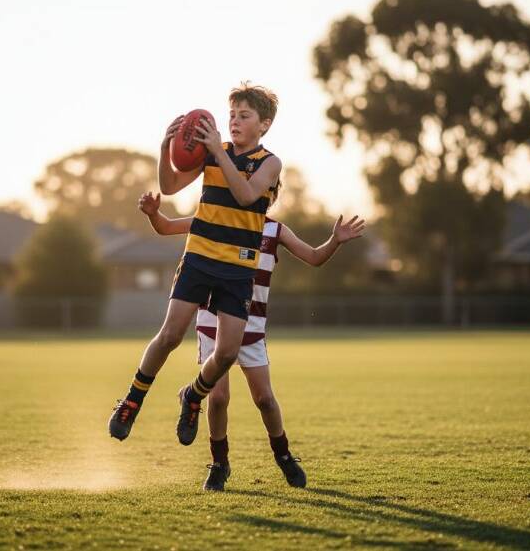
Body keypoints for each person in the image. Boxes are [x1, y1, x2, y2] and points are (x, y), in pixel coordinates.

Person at [136, 190, 365, 491]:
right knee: (218, 398)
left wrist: (335, 240)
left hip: (251, 327)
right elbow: (166, 227)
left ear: (272, 194)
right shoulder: (213, 220)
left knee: (265, 400)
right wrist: (153, 213)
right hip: (212, 322)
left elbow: (313, 257)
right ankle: (219, 465)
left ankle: (284, 456)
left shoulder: (275, 230)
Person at [108, 83, 283, 448]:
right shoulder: (212, 154)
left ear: (264, 125)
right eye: (231, 114)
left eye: (244, 116)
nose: (234, 121)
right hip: (200, 258)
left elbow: (247, 195)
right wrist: (163, 148)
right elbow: (170, 186)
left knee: (227, 353)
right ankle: (132, 400)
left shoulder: (269, 163)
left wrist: (220, 153)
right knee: (170, 335)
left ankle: (192, 395)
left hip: (237, 269)